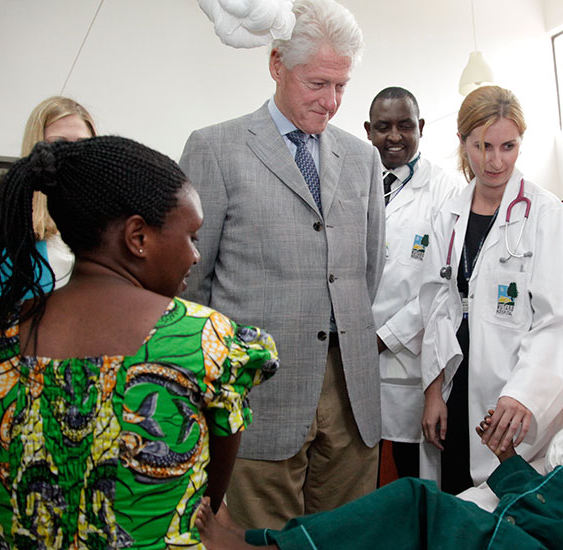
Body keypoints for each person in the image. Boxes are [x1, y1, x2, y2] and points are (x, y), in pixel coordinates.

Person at [0, 136, 278, 548]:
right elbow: (206, 504)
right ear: (137, 237)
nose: (196, 256)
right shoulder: (205, 340)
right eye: (192, 237)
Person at [179, 0, 385, 530]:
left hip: (350, 390)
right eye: (318, 84)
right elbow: (191, 283)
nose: (332, 102)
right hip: (258, 393)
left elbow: (367, 270)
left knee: (344, 538)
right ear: (276, 65)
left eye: (341, 86)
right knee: (258, 540)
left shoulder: (361, 159)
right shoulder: (216, 149)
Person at [194, 398, 563, 550]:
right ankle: (261, 541)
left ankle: (257, 548)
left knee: (418, 503)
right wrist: (509, 463)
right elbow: (547, 492)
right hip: (522, 531)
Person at [419, 86, 563, 494]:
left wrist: (525, 394)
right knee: (459, 499)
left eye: (508, 146)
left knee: (512, 504)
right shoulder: (448, 216)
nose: (495, 161)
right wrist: (434, 392)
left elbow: (558, 319)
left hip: (518, 386)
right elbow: (438, 308)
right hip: (458, 382)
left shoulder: (545, 214)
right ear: (463, 143)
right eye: (482, 146)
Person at [365, 87, 463, 479]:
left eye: (405, 125)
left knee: (413, 469)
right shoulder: (355, 185)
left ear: (420, 128)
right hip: (357, 359)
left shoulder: (444, 189)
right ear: (368, 131)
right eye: (383, 127)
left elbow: (441, 284)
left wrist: (383, 336)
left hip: (411, 360)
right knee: (356, 472)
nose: (394, 136)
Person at [21, 96, 97, 292]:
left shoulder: (110, 224)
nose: (71, 154)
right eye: (58, 144)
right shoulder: (10, 225)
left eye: (82, 145)